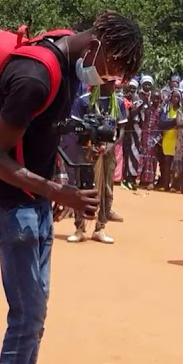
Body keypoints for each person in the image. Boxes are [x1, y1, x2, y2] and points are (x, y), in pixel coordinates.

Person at [0, 12, 142, 364]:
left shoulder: (69, 64)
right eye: (113, 67)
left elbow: (38, 137)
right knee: (25, 317)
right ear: (97, 45)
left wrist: (52, 188)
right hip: (12, 205)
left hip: (35, 202)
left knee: (36, 316)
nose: (111, 78)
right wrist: (56, 191)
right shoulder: (35, 75)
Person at [68, 80, 128, 244]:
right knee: (82, 187)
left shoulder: (118, 102)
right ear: (101, 82)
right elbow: (75, 127)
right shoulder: (83, 101)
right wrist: (89, 145)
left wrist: (110, 146)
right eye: (110, 82)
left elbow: (121, 130)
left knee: (107, 190)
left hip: (108, 153)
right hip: (86, 152)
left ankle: (100, 228)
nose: (114, 85)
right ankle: (79, 228)